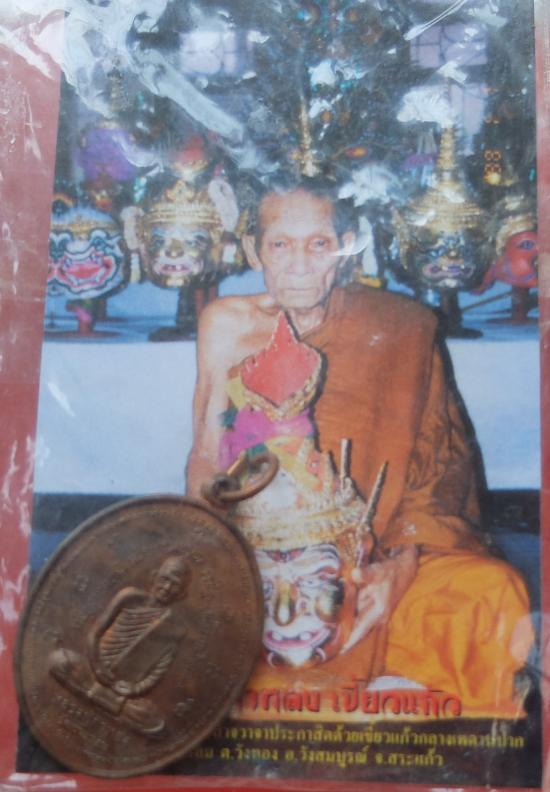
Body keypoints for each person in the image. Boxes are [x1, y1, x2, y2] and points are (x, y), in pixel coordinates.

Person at [186, 178, 533, 716]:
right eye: (281, 245)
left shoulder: (402, 327)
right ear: (254, 250)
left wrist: (401, 566)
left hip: (383, 552)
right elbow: (206, 456)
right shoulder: (226, 323)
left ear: (345, 249)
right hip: (264, 555)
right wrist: (229, 554)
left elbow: (440, 465)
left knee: (491, 593)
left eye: (318, 245)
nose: (299, 265)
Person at [49, 555, 191, 735]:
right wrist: (97, 667)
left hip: (120, 690)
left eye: (175, 585)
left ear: (182, 594)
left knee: (154, 722)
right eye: (164, 579)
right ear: (154, 576)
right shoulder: (129, 597)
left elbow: (159, 670)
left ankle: (92, 696)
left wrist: (134, 689)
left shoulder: (175, 628)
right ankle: (109, 706)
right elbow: (95, 633)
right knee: (58, 660)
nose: (167, 588)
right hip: (92, 671)